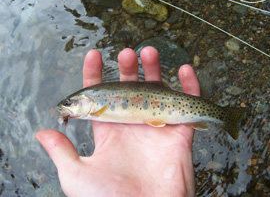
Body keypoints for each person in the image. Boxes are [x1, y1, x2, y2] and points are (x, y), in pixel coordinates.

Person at [36, 46, 199, 197]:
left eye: (69, 103)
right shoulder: (94, 106)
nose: (66, 107)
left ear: (86, 100)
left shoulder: (96, 107)